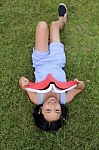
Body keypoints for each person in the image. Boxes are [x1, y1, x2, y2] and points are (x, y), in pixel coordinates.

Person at [19, 3, 85, 131]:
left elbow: (23, 85)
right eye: (57, 110)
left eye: (48, 110)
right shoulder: (64, 98)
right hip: (57, 60)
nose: (52, 105)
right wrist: (78, 83)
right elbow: (80, 88)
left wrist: (23, 81)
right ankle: (62, 21)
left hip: (40, 60)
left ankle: (47, 40)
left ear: (40, 110)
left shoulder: (36, 98)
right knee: (54, 26)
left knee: (42, 25)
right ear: (62, 110)